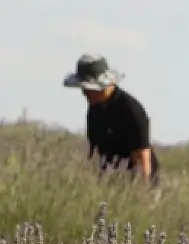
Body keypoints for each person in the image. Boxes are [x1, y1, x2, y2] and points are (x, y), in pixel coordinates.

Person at [62, 54, 160, 185]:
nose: (84, 93)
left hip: (135, 187)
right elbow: (95, 154)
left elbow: (143, 163)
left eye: (88, 89)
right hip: (108, 184)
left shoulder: (132, 112)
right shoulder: (94, 108)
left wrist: (141, 198)